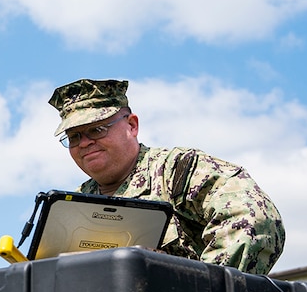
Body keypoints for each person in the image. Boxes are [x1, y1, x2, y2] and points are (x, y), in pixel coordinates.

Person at [49, 78, 284, 274]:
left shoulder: (178, 171)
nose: (85, 143)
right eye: (74, 137)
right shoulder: (72, 205)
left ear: (131, 125)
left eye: (96, 129)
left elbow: (254, 218)